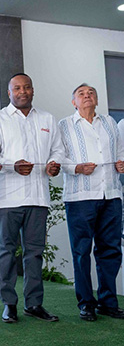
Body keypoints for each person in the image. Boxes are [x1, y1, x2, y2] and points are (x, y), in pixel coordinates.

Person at [0, 73, 64, 323]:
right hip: (8, 198)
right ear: (9, 92)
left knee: (35, 253)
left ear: (32, 90)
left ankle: (34, 303)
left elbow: (58, 149)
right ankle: (9, 304)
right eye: (17, 88)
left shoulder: (47, 119)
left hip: (38, 197)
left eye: (26, 87)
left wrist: (54, 163)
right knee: (6, 251)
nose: (22, 92)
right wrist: (12, 165)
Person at [58, 83, 124, 321]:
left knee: (111, 250)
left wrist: (121, 163)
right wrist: (77, 168)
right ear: (73, 102)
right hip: (80, 197)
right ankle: (86, 303)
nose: (87, 96)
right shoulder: (64, 125)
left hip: (111, 194)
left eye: (91, 93)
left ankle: (108, 302)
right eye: (81, 94)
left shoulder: (109, 122)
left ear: (96, 99)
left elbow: (120, 150)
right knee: (81, 252)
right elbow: (58, 157)